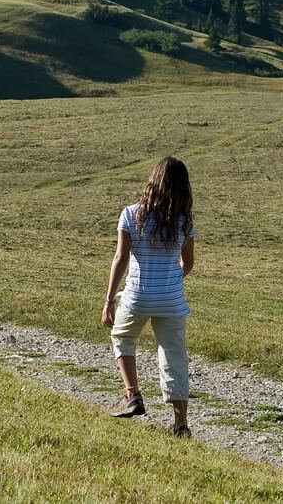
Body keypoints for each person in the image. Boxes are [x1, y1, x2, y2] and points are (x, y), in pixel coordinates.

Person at [101, 155, 196, 436]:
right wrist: (171, 278)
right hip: (172, 300)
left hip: (137, 295)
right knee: (174, 357)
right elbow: (187, 263)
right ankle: (181, 424)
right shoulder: (184, 220)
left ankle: (132, 395)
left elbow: (121, 257)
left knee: (122, 337)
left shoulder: (131, 214)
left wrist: (108, 301)